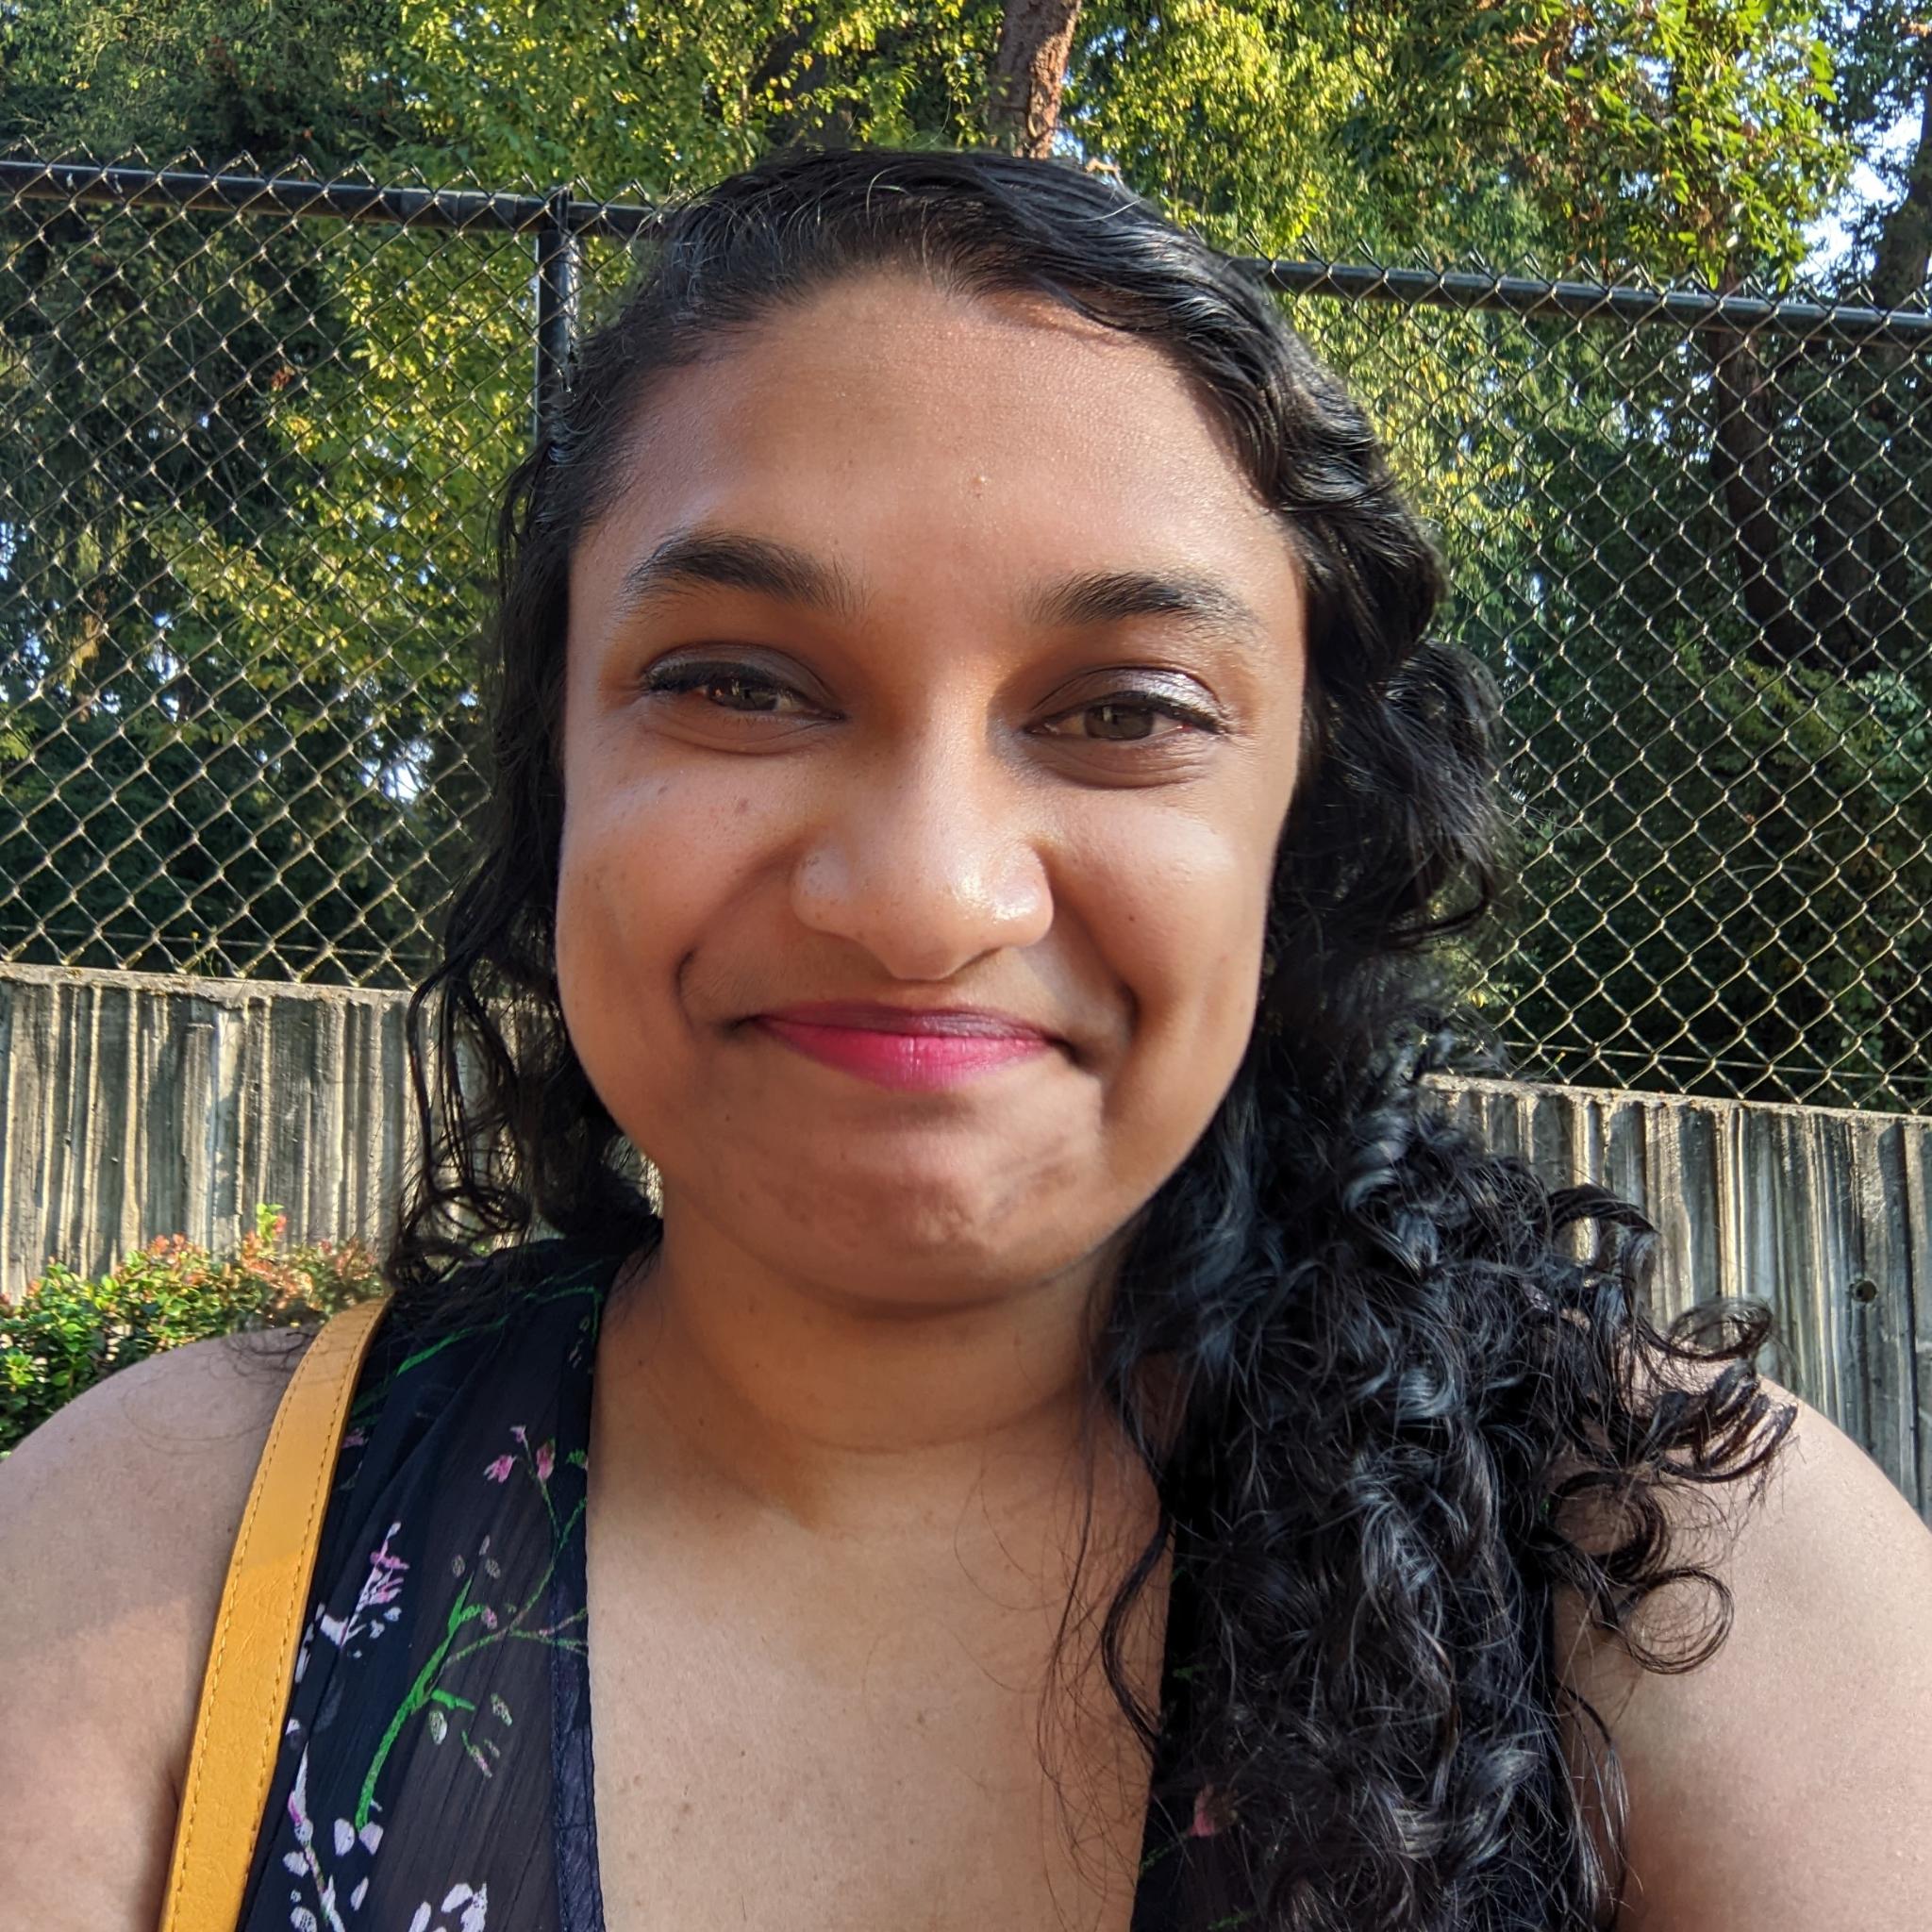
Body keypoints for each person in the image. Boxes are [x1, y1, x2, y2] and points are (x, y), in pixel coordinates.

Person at [3, 142, 1930, 1932]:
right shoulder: (153, 1565)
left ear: (1297, 834)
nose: (924, 897)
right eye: (736, 684)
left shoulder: (1676, 1568)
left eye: (1123, 708)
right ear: (554, 769)